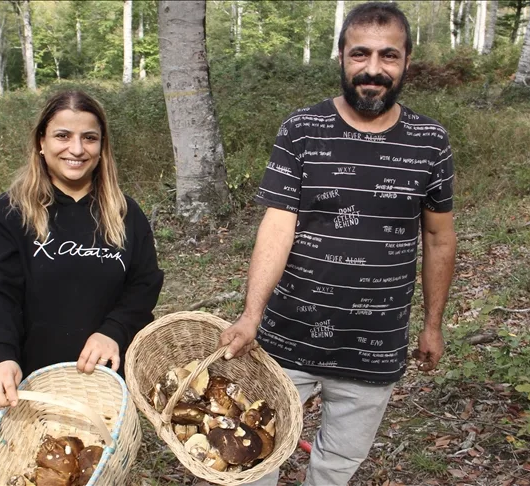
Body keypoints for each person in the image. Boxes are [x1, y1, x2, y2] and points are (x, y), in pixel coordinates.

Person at [219, 3, 457, 485]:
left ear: (407, 60)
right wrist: (251, 315)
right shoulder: (303, 130)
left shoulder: (430, 141)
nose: (373, 69)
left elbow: (438, 237)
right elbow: (277, 225)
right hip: (288, 339)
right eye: (360, 54)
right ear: (342, 58)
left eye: (388, 56)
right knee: (251, 455)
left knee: (338, 464)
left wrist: (432, 326)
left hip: (375, 346)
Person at [0, 90, 164, 416]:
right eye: (63, 135)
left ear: (102, 148)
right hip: (27, 389)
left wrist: (112, 331)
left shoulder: (124, 213)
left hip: (104, 385)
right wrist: (0, 357)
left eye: (89, 138)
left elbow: (144, 284)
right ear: (40, 143)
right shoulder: (8, 214)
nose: (76, 149)